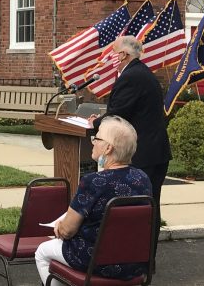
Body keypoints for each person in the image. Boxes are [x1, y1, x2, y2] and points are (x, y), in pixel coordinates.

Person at [35, 116, 153, 285]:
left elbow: (68, 230)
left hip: (96, 261)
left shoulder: (93, 182)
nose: (92, 142)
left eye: (96, 138)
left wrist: (59, 228)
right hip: (134, 263)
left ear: (108, 148)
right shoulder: (143, 178)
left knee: (42, 252)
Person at [88, 35, 171, 263]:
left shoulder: (132, 77)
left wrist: (95, 123)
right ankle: (140, 260)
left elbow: (119, 113)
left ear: (123, 55)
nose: (111, 58)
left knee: (141, 208)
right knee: (147, 208)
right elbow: (128, 110)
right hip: (153, 151)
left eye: (113, 53)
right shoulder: (141, 73)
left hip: (145, 155)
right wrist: (101, 119)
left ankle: (138, 261)